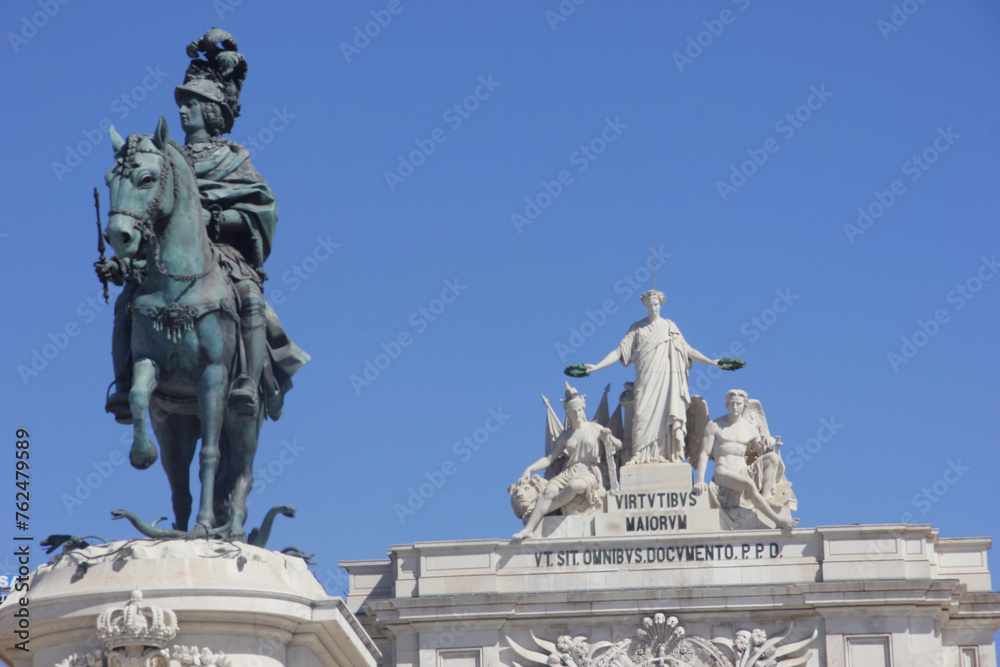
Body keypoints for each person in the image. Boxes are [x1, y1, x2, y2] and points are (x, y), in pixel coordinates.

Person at [97, 30, 307, 422]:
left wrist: (216, 218)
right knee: (128, 301)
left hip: (222, 254)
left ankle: (246, 378)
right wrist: (125, 265)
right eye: (181, 103)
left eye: (192, 103)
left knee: (249, 297)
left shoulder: (232, 159)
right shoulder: (161, 159)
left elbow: (262, 210)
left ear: (211, 110)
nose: (182, 110)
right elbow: (147, 217)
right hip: (165, 259)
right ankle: (124, 383)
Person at [585, 290, 719, 464]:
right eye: (650, 305)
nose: (654, 308)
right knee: (641, 415)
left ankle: (666, 454)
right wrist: (596, 366)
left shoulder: (670, 327)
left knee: (666, 414)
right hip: (646, 379)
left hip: (667, 380)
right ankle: (639, 454)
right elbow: (619, 351)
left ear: (661, 304)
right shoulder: (637, 328)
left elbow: (689, 351)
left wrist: (711, 362)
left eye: (656, 304)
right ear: (645, 305)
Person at [512, 386, 621, 540]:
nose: (577, 414)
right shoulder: (565, 435)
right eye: (572, 412)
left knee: (575, 486)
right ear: (568, 414)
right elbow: (550, 458)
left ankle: (541, 511)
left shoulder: (595, 428)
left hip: (589, 471)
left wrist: (608, 436)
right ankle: (529, 529)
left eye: (579, 410)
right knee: (549, 490)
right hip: (569, 471)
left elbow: (619, 446)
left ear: (583, 409)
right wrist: (529, 468)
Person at [692, 390, 798, 530]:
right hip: (723, 472)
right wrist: (700, 481)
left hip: (742, 471)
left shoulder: (750, 429)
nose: (735, 407)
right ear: (727, 404)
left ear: (744, 405)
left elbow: (762, 452)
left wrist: (769, 441)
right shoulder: (714, 425)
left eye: (738, 404)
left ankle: (765, 496)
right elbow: (704, 454)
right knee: (748, 483)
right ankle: (777, 520)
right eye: (732, 404)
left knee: (773, 458)